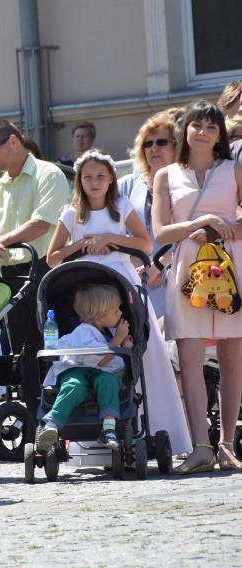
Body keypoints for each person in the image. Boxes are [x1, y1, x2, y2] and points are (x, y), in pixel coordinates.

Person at [46, 149, 191, 456]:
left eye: (100, 176)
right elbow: (53, 257)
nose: (94, 182)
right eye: (87, 177)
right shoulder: (71, 214)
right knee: (93, 346)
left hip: (122, 280)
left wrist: (110, 240)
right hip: (87, 284)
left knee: (138, 347)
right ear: (79, 181)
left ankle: (150, 428)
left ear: (111, 178)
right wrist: (82, 245)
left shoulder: (121, 206)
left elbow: (145, 244)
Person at [153, 100, 242, 474]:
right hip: (188, 269)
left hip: (231, 265)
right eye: (196, 126)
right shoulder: (166, 175)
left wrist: (229, 223)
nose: (203, 132)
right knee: (188, 358)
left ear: (220, 134)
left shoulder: (234, 169)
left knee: (232, 359)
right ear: (184, 130)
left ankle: (226, 445)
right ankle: (200, 446)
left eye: (211, 126)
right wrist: (204, 220)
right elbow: (160, 232)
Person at [0, 119, 70, 419]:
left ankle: (61, 422)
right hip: (11, 275)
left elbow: (42, 223)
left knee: (53, 348)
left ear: (13, 142)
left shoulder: (49, 174)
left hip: (45, 271)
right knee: (24, 353)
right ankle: (35, 423)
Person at [35, 284, 133, 452]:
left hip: (99, 373)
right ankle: (52, 424)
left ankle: (108, 429)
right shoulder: (85, 331)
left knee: (108, 381)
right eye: (116, 311)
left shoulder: (106, 331)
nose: (121, 313)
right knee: (74, 385)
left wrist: (125, 345)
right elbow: (101, 360)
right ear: (99, 318)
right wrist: (118, 338)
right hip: (78, 368)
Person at [119, 112, 179, 317]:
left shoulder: (187, 184)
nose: (154, 148)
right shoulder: (128, 184)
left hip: (176, 280)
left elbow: (192, 234)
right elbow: (96, 204)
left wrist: (158, 266)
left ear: (176, 146)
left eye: (161, 142)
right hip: (135, 279)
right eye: (148, 143)